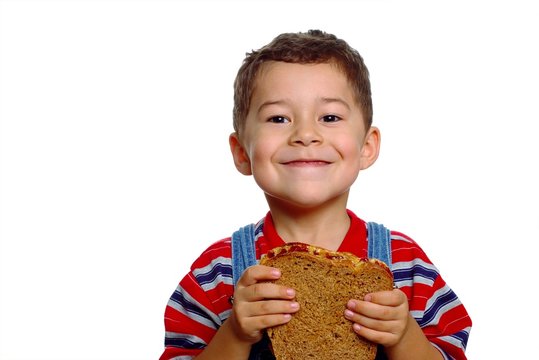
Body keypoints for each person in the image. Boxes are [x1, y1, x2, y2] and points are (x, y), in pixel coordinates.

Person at [160, 29, 472, 360]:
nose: (306, 134)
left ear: (367, 147)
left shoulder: (408, 266)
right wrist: (235, 334)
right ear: (242, 153)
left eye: (330, 117)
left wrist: (404, 336)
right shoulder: (216, 273)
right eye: (278, 118)